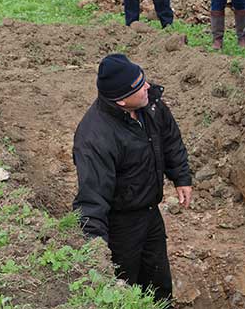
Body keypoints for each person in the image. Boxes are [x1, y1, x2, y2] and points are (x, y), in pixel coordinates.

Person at [73, 54, 193, 307]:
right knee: (126, 287)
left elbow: (170, 139)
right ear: (121, 100)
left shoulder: (150, 105)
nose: (147, 86)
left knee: (158, 281)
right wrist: (96, 253)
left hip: (150, 213)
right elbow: (92, 197)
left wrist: (181, 176)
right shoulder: (95, 136)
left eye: (143, 79)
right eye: (140, 85)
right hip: (121, 226)